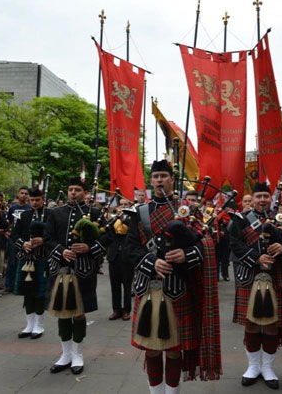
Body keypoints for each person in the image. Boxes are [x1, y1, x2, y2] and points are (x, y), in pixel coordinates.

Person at [124, 160, 221, 393]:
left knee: (175, 347)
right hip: (147, 286)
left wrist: (188, 254)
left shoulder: (188, 210)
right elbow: (130, 248)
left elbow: (209, 241)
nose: (159, 180)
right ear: (150, 180)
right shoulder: (139, 212)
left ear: (172, 180)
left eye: (163, 176)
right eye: (155, 176)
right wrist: (152, 262)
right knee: (152, 347)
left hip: (179, 288)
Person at [229, 182, 282, 389]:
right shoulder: (240, 221)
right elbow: (234, 244)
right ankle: (252, 366)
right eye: (258, 196)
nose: (262, 200)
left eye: (266, 196)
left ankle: (267, 368)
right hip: (250, 277)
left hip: (276, 278)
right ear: (252, 199)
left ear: (271, 199)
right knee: (251, 323)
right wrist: (257, 258)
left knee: (271, 324)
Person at [44, 176, 106, 375]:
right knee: (62, 311)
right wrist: (61, 250)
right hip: (60, 269)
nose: (73, 193)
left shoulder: (94, 213)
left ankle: (78, 354)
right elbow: (47, 239)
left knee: (79, 312)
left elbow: (108, 237)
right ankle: (65, 354)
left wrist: (89, 247)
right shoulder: (55, 213)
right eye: (70, 189)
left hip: (84, 270)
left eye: (77, 190)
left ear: (84, 193)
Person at [11, 188, 50, 339]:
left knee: (39, 293)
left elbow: (56, 235)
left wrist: (44, 241)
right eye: (31, 200)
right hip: (26, 257)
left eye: (37, 200)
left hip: (43, 257)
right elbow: (14, 234)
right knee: (27, 290)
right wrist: (23, 244)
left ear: (43, 199)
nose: (34, 203)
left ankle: (39, 325)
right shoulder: (24, 215)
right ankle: (29, 325)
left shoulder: (50, 215)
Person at [105, 197, 133, 321]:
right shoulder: (113, 218)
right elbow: (108, 235)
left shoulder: (132, 218)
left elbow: (134, 230)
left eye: (125, 204)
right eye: (120, 204)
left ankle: (126, 310)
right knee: (114, 285)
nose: (122, 207)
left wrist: (124, 219)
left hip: (127, 257)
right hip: (114, 256)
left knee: (127, 286)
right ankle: (116, 310)